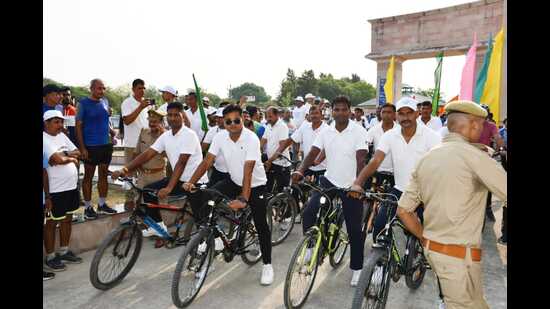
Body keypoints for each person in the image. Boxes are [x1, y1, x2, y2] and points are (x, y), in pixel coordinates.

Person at [396, 100, 506, 309]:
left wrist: (424, 238)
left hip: (440, 253)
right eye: (481, 125)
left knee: (478, 305)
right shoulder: (474, 157)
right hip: (458, 259)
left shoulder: (427, 158)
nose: (482, 130)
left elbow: (403, 210)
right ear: (473, 125)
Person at [183, 104, 274, 286]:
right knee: (207, 196)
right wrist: (192, 181)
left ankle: (267, 265)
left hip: (255, 185)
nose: (232, 124)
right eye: (228, 121)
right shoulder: (220, 137)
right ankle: (215, 239)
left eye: (236, 121)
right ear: (223, 122)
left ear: (243, 120)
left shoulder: (251, 139)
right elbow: (207, 161)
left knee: (261, 224)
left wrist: (243, 198)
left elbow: (248, 171)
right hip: (233, 180)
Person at [292, 95, 368, 286]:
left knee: (353, 229)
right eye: (337, 109)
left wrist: (358, 184)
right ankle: (310, 247)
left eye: (344, 109)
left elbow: (361, 160)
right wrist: (300, 170)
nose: (340, 113)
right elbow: (312, 153)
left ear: (349, 111)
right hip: (329, 180)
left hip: (351, 185)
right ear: (331, 111)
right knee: (309, 211)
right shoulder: (326, 132)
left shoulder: (358, 131)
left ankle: (357, 268)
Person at [349, 97, 442, 243]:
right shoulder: (390, 135)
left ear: (417, 113)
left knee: (431, 235)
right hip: (399, 190)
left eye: (409, 113)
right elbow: (376, 160)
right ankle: (381, 263)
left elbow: (441, 164)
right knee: (379, 225)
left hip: (425, 193)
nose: (405, 117)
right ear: (396, 116)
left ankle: (425, 257)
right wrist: (358, 183)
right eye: (401, 113)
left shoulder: (432, 137)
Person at [111, 102, 208, 236]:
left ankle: (212, 243)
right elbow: (147, 154)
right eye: (170, 115)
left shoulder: (189, 135)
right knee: (148, 191)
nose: (172, 118)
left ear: (183, 117)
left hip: (195, 181)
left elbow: (182, 162)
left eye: (176, 115)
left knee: (201, 219)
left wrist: (169, 188)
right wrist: (125, 169)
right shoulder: (166, 136)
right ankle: (158, 227)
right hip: (179, 179)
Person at [43, 110, 83, 271]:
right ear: (46, 123)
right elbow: (56, 159)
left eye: (61, 122)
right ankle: (51, 256)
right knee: (52, 223)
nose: (60, 125)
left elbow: (78, 152)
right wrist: (70, 158)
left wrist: (66, 155)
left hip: (70, 186)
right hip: (55, 189)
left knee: (67, 218)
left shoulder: (62, 136)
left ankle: (64, 251)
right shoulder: (44, 138)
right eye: (56, 122)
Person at [76, 79, 117, 220]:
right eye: (99, 88)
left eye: (103, 88)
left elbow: (105, 121)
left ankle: (102, 204)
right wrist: (82, 148)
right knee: (88, 177)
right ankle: (88, 207)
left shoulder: (105, 101)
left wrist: (112, 133)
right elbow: (78, 126)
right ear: (91, 89)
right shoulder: (83, 104)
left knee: (103, 175)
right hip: (90, 146)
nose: (102, 91)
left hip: (106, 145)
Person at [125, 109, 168, 212]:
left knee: (156, 206)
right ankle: (141, 225)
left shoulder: (167, 136)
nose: (152, 124)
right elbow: (136, 152)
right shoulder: (144, 131)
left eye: (155, 122)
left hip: (158, 176)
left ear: (162, 122)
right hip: (142, 176)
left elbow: (168, 155)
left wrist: (162, 134)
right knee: (139, 204)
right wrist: (132, 170)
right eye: (150, 121)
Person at [121, 79, 152, 208]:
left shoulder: (147, 104)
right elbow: (127, 121)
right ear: (133, 89)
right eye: (139, 88)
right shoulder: (127, 103)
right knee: (129, 174)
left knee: (145, 174)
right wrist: (140, 107)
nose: (142, 90)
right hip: (131, 144)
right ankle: (129, 203)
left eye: (144, 88)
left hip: (146, 144)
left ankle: (142, 203)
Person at [280, 105, 328, 181]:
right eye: (311, 113)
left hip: (323, 168)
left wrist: (318, 161)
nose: (314, 116)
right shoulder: (305, 127)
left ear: (321, 115)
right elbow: (291, 139)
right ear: (309, 115)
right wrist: (279, 151)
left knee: (318, 191)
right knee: (296, 185)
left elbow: (326, 148)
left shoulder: (327, 129)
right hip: (307, 166)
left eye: (316, 113)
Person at [478, 105, 504, 222]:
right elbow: (498, 139)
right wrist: (496, 151)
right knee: (487, 183)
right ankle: (488, 208)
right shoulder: (491, 126)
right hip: (485, 156)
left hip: (470, 155)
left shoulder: (472, 123)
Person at [364, 103, 398, 189]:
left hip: (396, 174)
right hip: (377, 172)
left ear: (394, 114)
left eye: (389, 112)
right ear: (380, 114)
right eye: (384, 112)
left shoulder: (400, 130)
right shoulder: (373, 130)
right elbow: (365, 147)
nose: (386, 115)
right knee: (373, 200)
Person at [261, 107, 291, 195]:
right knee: (269, 188)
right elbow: (263, 140)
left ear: (277, 115)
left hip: (281, 163)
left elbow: (282, 146)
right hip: (271, 161)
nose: (268, 119)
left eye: (270, 116)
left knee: (282, 191)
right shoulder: (268, 126)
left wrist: (270, 160)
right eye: (266, 117)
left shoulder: (282, 126)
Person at [201, 107, 230, 187]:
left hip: (231, 171)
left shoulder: (234, 131)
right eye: (217, 117)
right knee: (212, 191)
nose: (218, 120)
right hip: (217, 169)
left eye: (221, 118)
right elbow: (203, 147)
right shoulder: (212, 130)